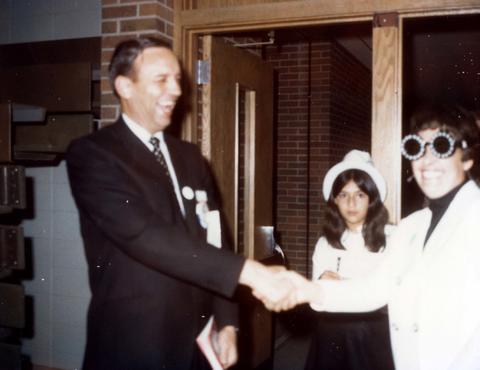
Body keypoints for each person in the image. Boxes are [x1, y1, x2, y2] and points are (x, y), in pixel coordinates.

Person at [66, 36, 295, 370]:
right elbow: (145, 235)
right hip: (136, 345)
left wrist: (228, 322)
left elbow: (215, 239)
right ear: (124, 87)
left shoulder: (190, 158)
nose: (175, 90)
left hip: (201, 342)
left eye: (177, 80)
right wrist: (253, 273)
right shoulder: (94, 155)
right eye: (161, 80)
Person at [268, 105, 480, 370]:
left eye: (440, 146)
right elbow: (376, 289)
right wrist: (304, 289)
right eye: (416, 149)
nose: (426, 162)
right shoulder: (411, 226)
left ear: (467, 157)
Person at [304, 150, 395, 370]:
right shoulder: (326, 243)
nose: (351, 203)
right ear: (335, 200)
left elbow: (387, 293)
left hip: (372, 334)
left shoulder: (392, 238)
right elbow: (317, 299)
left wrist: (340, 285)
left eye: (360, 195)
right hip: (333, 333)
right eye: (344, 195)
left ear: (372, 199)